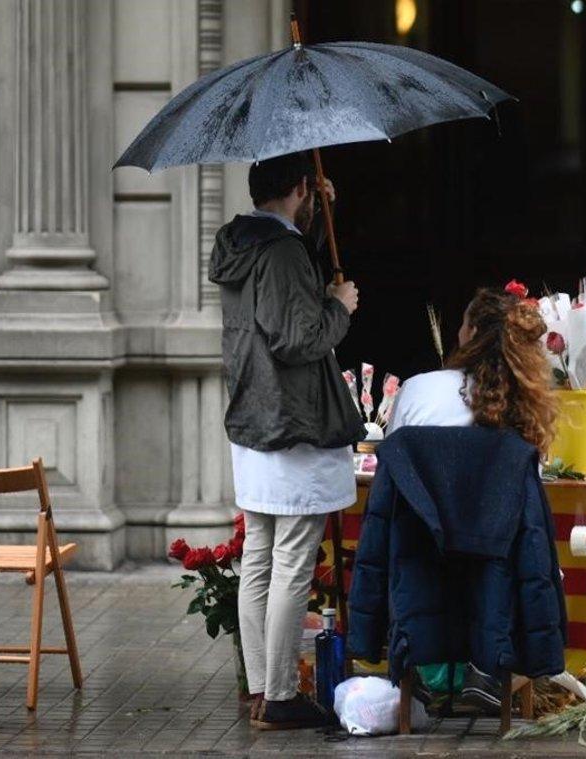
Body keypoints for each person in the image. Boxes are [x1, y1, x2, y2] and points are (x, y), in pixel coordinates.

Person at [208, 151, 365, 729]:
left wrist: (318, 219)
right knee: (292, 559)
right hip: (293, 420)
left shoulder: (240, 242)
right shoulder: (281, 251)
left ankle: (260, 687)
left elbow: (281, 299)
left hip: (252, 415)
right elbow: (298, 336)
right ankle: (278, 695)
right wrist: (339, 308)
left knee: (259, 557)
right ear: (299, 185)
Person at [385, 285, 560, 709]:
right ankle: (490, 665)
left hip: (421, 552)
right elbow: (529, 490)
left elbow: (395, 463)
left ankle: (425, 667)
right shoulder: (523, 404)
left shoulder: (417, 387)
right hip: (494, 564)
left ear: (470, 332)